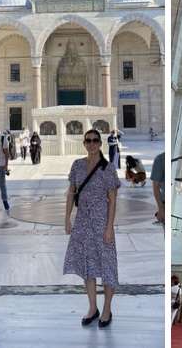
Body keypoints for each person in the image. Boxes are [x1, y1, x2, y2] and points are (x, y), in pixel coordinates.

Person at [63, 129, 121, 328]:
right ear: (84, 143)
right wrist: (67, 218)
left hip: (101, 222)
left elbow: (113, 201)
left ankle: (106, 309)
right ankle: (92, 307)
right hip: (82, 223)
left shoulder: (108, 168)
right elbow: (71, 193)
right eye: (88, 140)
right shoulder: (77, 165)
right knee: (87, 266)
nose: (92, 144)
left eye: (95, 140)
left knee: (107, 266)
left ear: (100, 143)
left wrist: (109, 227)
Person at [150, 152, 164, 223]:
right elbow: (156, 187)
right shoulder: (160, 159)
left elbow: (156, 187)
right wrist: (161, 209)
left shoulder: (160, 159)